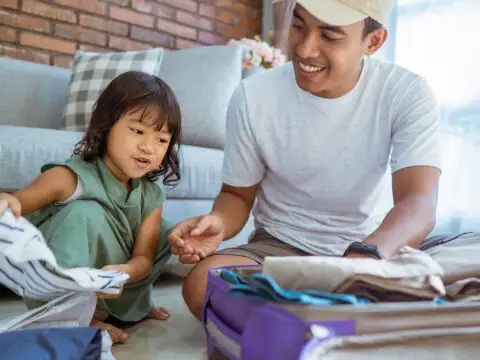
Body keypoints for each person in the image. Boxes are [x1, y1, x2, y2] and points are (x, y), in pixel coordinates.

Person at [168, 0, 456, 321]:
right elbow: (237, 195)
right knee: (201, 286)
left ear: (372, 42)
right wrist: (219, 222)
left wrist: (365, 258)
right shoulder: (253, 96)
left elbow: (418, 200)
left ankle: (302, 322)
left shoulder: (406, 92)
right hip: (279, 249)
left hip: (372, 248)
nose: (305, 50)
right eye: (299, 26)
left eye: (329, 36)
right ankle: (333, 322)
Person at [0, 71, 182, 343]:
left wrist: (124, 273)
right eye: (138, 131)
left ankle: (130, 308)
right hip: (64, 276)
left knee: (167, 232)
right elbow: (18, 202)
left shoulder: (151, 195)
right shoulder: (70, 177)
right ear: (107, 125)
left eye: (161, 140)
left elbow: (144, 258)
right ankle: (68, 317)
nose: (148, 147)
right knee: (85, 213)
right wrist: (7, 202)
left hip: (112, 280)